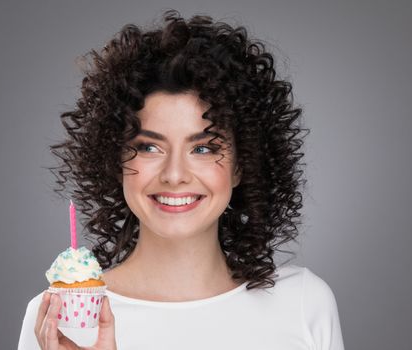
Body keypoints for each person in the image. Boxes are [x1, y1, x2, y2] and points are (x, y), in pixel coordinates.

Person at [18, 9, 345, 350]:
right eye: (148, 147)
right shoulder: (58, 319)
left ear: (241, 165)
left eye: (203, 149)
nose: (174, 175)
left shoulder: (304, 304)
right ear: (114, 160)